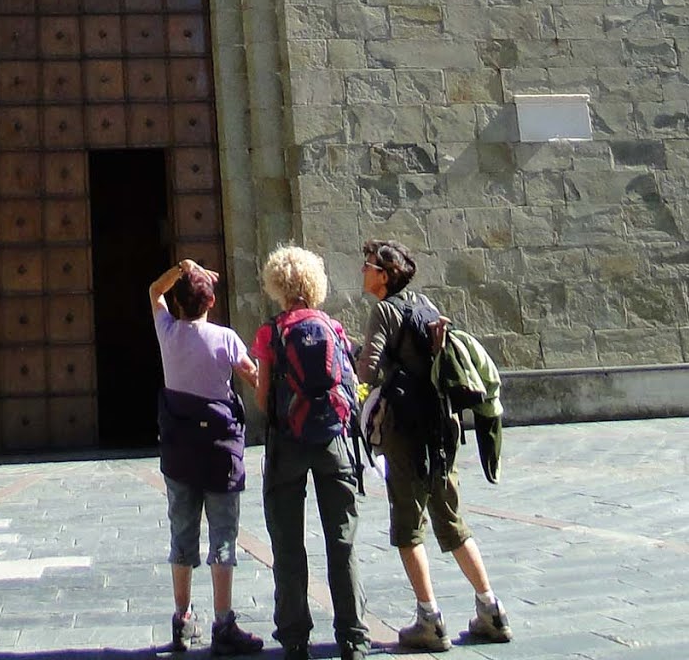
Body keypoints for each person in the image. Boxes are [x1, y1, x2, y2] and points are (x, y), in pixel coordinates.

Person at [358, 237, 512, 649]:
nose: (363, 270)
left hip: (405, 433)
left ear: (385, 275)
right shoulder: (425, 304)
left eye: (369, 264)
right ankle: (490, 608)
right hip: (442, 428)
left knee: (408, 527)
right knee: (452, 521)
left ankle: (429, 618)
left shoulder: (384, 312)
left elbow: (368, 369)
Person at [250, 245, 370, 660]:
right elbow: (351, 387)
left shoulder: (271, 332)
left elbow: (264, 398)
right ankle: (353, 638)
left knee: (288, 544)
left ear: (276, 284)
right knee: (343, 542)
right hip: (334, 441)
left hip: (287, 444)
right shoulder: (334, 328)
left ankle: (295, 637)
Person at [149, 259, 264, 654]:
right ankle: (224, 621)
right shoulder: (227, 338)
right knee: (223, 537)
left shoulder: (167, 332)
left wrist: (181, 268)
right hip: (221, 453)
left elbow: (153, 292)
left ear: (178, 302)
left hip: (179, 451)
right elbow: (253, 377)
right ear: (211, 300)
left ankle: (182, 618)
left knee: (182, 535)